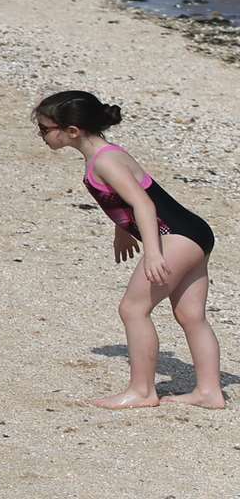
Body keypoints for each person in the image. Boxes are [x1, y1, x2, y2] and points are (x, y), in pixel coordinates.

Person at [35, 90, 223, 409]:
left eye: (44, 129)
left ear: (71, 131)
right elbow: (128, 200)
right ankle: (209, 392)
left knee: (133, 309)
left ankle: (142, 391)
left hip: (174, 237)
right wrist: (123, 230)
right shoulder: (107, 153)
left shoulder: (104, 161)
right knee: (190, 315)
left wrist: (153, 252)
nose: (41, 136)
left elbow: (143, 203)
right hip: (194, 232)